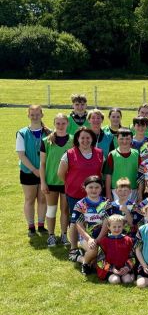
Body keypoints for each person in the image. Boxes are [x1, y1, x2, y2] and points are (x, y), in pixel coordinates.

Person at [58, 127, 104, 260]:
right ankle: (73, 248)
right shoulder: (69, 154)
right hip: (74, 194)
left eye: (88, 138)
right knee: (75, 221)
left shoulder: (100, 153)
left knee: (93, 219)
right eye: (82, 137)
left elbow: (100, 172)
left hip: (94, 195)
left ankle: (90, 244)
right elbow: (61, 174)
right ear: (77, 139)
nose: (85, 140)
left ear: (92, 139)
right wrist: (72, 184)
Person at [17, 105, 50, 237]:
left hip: (45, 172)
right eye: (32, 114)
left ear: (42, 115)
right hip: (27, 171)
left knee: (43, 199)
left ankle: (41, 225)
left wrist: (41, 170)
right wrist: (34, 169)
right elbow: (21, 155)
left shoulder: (49, 133)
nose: (35, 116)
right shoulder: (22, 133)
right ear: (28, 115)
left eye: (37, 114)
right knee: (30, 199)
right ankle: (31, 226)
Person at [40, 113, 71, 247]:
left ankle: (64, 235)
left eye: (63, 123)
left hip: (66, 182)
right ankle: (51, 236)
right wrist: (43, 182)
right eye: (57, 123)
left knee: (65, 210)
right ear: (54, 124)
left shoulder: (73, 140)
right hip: (51, 182)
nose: (60, 126)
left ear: (67, 124)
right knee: (51, 210)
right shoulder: (46, 140)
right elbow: (42, 164)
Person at [72, 176, 113, 275]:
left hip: (103, 237)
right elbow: (79, 225)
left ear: (101, 188)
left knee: (98, 261)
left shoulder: (106, 203)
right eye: (90, 187)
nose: (93, 190)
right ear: (84, 187)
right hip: (86, 238)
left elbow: (107, 223)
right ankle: (85, 264)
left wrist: (98, 239)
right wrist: (89, 239)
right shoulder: (80, 204)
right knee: (94, 250)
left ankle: (79, 257)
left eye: (97, 187)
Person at [96, 214, 135, 285]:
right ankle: (115, 276)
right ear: (109, 227)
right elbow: (100, 260)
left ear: (123, 226)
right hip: (110, 270)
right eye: (114, 227)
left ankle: (131, 275)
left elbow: (132, 257)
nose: (117, 229)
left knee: (127, 281)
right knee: (115, 281)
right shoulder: (104, 241)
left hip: (124, 268)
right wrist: (112, 269)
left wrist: (127, 267)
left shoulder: (128, 240)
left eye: (119, 226)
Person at [103, 128, 140, 201]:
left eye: (127, 139)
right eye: (121, 139)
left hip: (133, 189)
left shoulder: (136, 153)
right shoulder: (112, 154)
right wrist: (108, 193)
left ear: (132, 139)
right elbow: (108, 175)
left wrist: (140, 192)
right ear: (117, 139)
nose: (124, 141)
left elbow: (141, 174)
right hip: (117, 190)